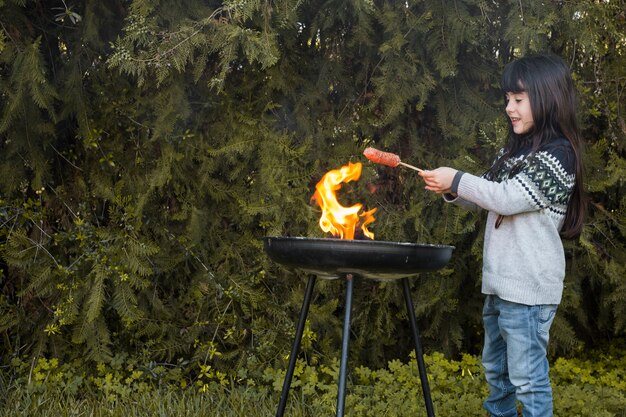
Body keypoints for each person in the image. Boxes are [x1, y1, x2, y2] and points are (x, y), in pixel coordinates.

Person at [418, 53, 586, 417]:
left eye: (518, 99)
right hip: (501, 285)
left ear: (547, 98)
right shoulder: (515, 150)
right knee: (497, 372)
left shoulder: (559, 156)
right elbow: (486, 197)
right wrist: (450, 189)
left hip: (528, 290)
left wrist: (458, 178)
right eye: (507, 99)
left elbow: (507, 199)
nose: (509, 107)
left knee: (527, 378)